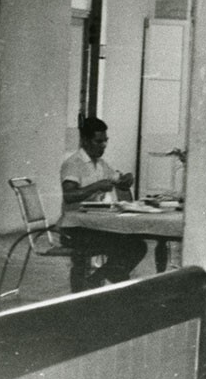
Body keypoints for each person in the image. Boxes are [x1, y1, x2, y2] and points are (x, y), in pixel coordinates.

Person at [60, 116, 147, 291]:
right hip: (76, 228)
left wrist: (126, 179)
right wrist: (96, 186)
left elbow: (118, 178)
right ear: (85, 140)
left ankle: (98, 279)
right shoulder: (73, 163)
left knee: (136, 244)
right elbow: (69, 195)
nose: (103, 145)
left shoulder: (100, 164)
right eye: (98, 141)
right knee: (130, 246)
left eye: (105, 141)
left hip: (94, 225)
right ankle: (106, 281)